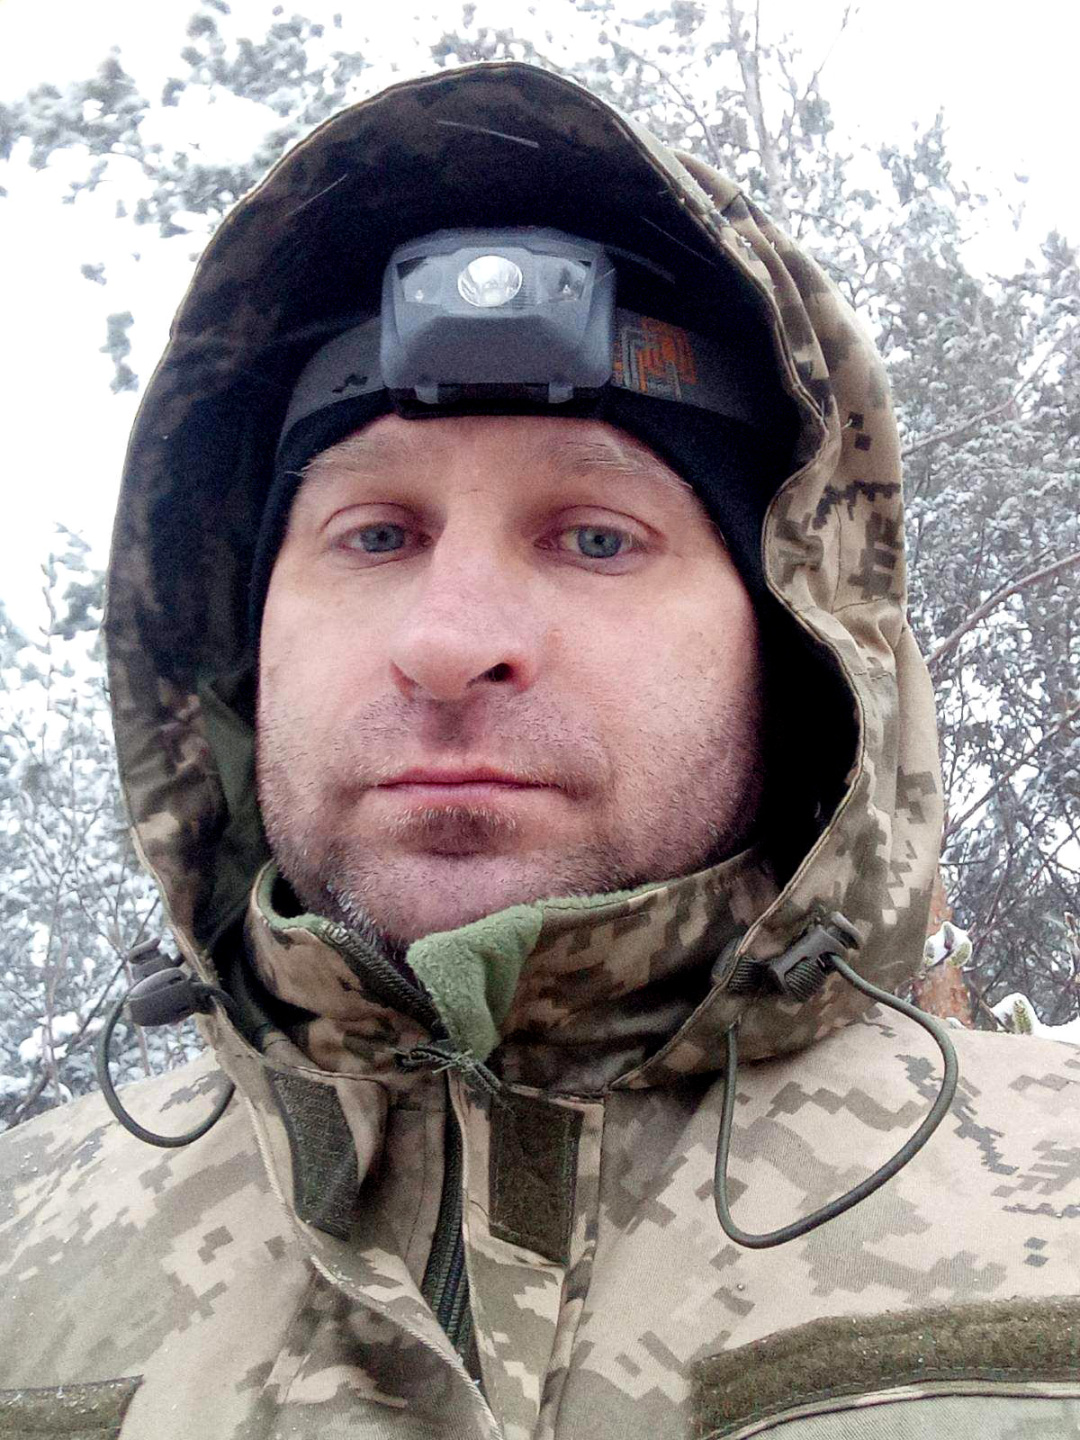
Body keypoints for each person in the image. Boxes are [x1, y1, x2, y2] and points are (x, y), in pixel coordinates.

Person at [2, 61, 1079, 1440]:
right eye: (375, 534)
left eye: (595, 537)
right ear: (236, 649)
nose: (450, 641)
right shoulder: (22, 1252)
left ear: (790, 647)